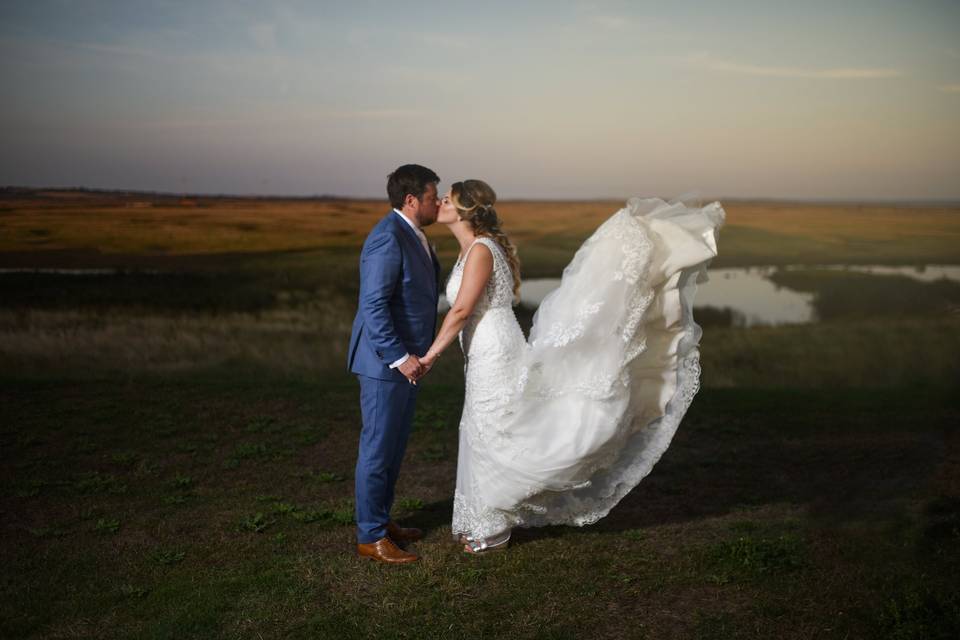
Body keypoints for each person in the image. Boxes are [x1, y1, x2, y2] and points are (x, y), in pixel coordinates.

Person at [416, 180, 725, 553]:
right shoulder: (472, 249)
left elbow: (462, 309)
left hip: (494, 347)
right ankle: (484, 520)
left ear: (465, 210)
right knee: (484, 425)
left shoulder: (481, 250)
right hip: (482, 348)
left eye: (447, 199)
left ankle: (491, 526)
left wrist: (430, 355)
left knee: (495, 424)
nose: (441, 203)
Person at [346, 163, 442, 563]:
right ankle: (370, 537)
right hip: (386, 363)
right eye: (434, 197)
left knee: (394, 447)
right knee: (377, 449)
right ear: (411, 199)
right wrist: (402, 358)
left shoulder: (413, 234)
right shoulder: (388, 237)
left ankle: (382, 521)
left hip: (407, 363)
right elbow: (373, 305)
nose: (439, 203)